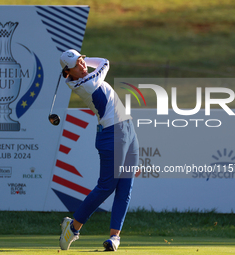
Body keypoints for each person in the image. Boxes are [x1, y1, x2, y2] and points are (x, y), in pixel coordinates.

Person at [58, 49, 139, 251]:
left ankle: (114, 238)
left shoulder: (83, 76)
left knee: (125, 188)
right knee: (106, 186)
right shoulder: (85, 83)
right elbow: (105, 62)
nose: (83, 65)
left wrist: (80, 59)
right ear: (69, 72)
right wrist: (84, 60)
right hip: (112, 134)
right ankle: (73, 227)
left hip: (128, 130)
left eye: (82, 61)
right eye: (77, 65)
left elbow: (100, 63)